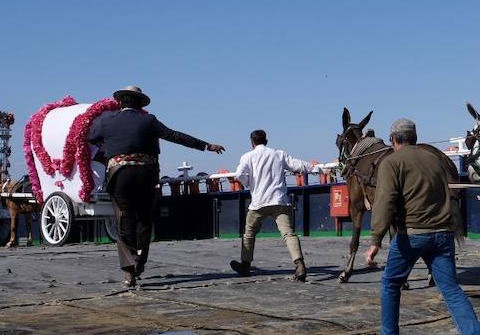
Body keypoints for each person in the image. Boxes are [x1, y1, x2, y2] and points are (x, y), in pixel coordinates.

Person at [363, 118, 480, 335]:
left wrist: (375, 240)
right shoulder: (434, 160)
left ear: (394, 140)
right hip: (443, 235)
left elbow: (385, 201)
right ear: (415, 137)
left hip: (412, 235)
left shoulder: (392, 162)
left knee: (391, 283)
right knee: (452, 290)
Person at [87, 86, 224, 288]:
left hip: (120, 176)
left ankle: (129, 270)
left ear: (120, 103)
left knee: (124, 220)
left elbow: (91, 137)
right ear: (140, 105)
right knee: (144, 220)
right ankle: (140, 262)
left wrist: (109, 147)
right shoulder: (148, 121)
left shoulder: (106, 121)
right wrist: (206, 145)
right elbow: (174, 135)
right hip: (146, 175)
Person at [231, 129, 318, 281]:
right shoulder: (278, 154)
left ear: (252, 143)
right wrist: (315, 168)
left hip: (258, 203)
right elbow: (297, 165)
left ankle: (245, 265)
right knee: (288, 234)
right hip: (279, 201)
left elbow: (238, 175)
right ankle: (299, 265)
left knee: (249, 233)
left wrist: (249, 184)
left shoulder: (248, 157)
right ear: (266, 140)